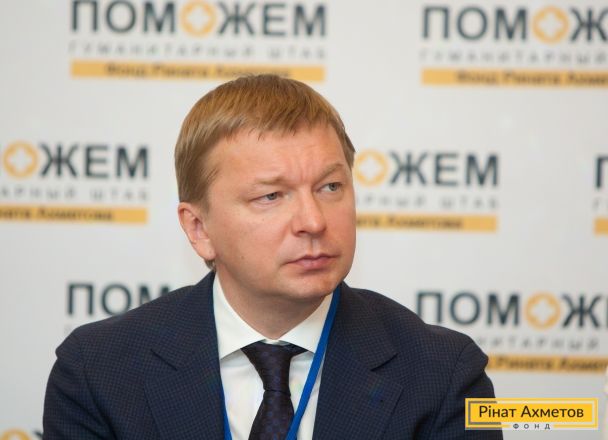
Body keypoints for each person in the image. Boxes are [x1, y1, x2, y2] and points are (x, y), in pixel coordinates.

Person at [43, 74, 502, 439]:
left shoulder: (443, 373)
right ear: (199, 229)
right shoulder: (98, 371)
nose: (313, 221)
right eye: (271, 196)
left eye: (330, 187)